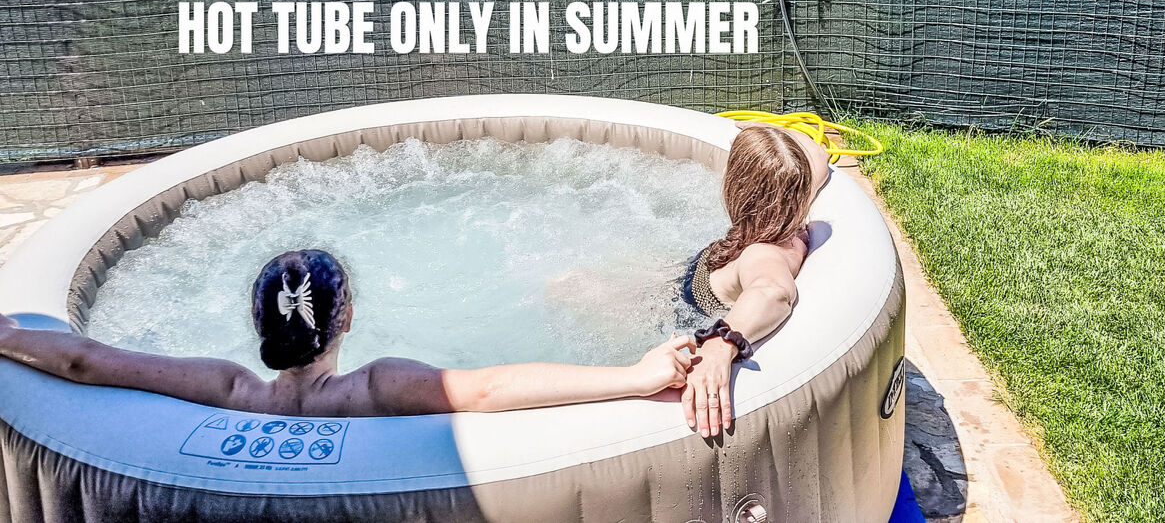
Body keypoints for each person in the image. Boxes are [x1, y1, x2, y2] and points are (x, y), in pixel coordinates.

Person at [0, 249, 696, 417]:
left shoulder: (228, 389)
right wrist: (635, 378)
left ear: (257, 323)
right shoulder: (375, 388)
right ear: (349, 319)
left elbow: (87, 361)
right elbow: (489, 389)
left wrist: (5, 335)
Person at [679, 122, 831, 438]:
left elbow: (773, 291)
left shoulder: (763, 253)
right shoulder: (793, 212)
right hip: (688, 284)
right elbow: (818, 156)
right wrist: (767, 130)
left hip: (687, 311)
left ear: (735, 187)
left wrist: (721, 342)